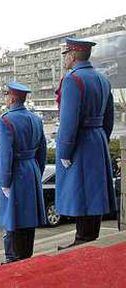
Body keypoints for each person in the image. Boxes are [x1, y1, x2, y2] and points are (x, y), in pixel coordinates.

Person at [55, 38, 116, 250]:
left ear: (72, 55)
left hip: (80, 141)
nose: (65, 59)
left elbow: (69, 120)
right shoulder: (102, 79)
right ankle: (91, 236)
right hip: (98, 138)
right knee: (95, 191)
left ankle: (82, 239)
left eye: (65, 55)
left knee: (80, 191)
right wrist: (102, 137)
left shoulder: (73, 79)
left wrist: (64, 151)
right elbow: (109, 117)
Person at [0, 82, 47, 263]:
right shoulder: (36, 119)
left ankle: (13, 259)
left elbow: (5, 155)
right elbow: (42, 151)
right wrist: (36, 172)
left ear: (11, 97)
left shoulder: (5, 120)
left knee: (13, 220)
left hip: (15, 173)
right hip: (31, 169)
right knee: (28, 220)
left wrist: (4, 182)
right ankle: (26, 258)